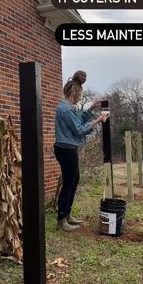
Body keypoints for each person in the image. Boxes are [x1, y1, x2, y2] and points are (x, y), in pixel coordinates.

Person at [54, 70, 109, 231]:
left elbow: (78, 120)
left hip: (68, 149)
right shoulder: (66, 109)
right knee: (69, 183)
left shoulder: (69, 107)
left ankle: (67, 214)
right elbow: (79, 129)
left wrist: (91, 108)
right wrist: (97, 120)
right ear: (75, 93)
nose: (80, 97)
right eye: (80, 94)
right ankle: (61, 220)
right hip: (65, 150)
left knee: (74, 180)